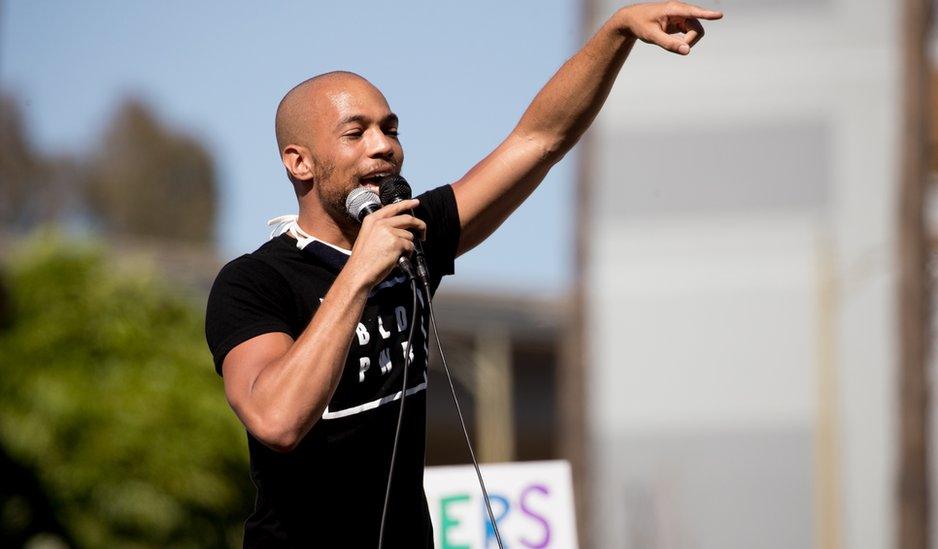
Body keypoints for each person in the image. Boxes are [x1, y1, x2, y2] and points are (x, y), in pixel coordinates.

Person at [205, 2, 722, 547]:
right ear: (299, 163)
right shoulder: (252, 282)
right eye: (355, 133)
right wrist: (359, 273)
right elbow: (277, 420)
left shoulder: (413, 235)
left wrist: (616, 32)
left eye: (390, 128)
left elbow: (538, 140)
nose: (384, 145)